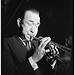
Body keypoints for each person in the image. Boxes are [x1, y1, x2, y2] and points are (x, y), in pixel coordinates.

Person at [2, 8, 58, 75]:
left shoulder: (37, 44)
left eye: (37, 25)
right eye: (30, 23)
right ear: (19, 22)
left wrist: (51, 62)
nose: (33, 30)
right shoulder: (5, 43)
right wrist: (34, 59)